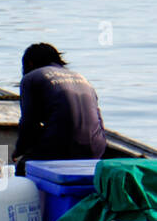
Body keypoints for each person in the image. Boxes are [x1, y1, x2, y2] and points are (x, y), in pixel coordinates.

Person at [12, 42, 106, 174]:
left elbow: (28, 122)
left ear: (30, 63)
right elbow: (99, 121)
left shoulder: (31, 78)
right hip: (96, 149)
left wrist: (20, 151)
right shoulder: (81, 78)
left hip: (62, 148)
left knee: (23, 166)